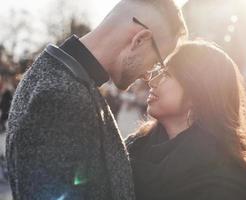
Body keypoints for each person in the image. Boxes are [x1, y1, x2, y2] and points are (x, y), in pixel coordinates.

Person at [5, 0, 187, 199]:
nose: (147, 76)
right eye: (155, 63)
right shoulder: (61, 98)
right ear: (140, 40)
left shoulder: (62, 80)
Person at [126, 41, 246, 200]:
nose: (152, 81)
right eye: (157, 72)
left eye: (166, 74)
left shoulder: (230, 184)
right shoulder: (134, 146)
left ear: (197, 92)